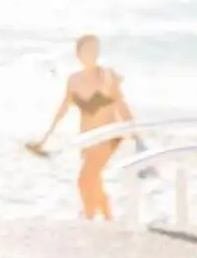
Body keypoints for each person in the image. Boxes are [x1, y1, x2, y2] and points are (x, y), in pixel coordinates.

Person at [29, 35, 136, 221]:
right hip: (87, 137)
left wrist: (137, 136)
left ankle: (89, 219)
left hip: (108, 136)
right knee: (94, 181)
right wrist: (46, 136)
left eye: (95, 49)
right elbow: (63, 108)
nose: (92, 54)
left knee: (84, 180)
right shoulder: (74, 80)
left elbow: (122, 105)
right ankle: (108, 219)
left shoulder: (107, 76)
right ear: (78, 54)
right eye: (88, 50)